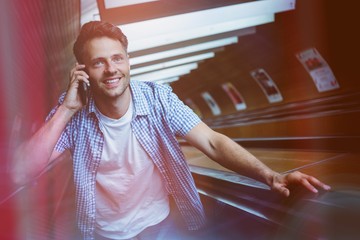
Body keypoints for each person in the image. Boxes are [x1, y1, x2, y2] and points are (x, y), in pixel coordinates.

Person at [11, 21, 331, 240]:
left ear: (128, 61)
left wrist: (271, 177)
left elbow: (212, 142)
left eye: (117, 58)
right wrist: (66, 109)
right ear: (81, 71)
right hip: (100, 234)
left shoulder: (158, 97)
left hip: (161, 228)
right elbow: (22, 172)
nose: (111, 69)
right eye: (98, 63)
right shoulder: (72, 113)